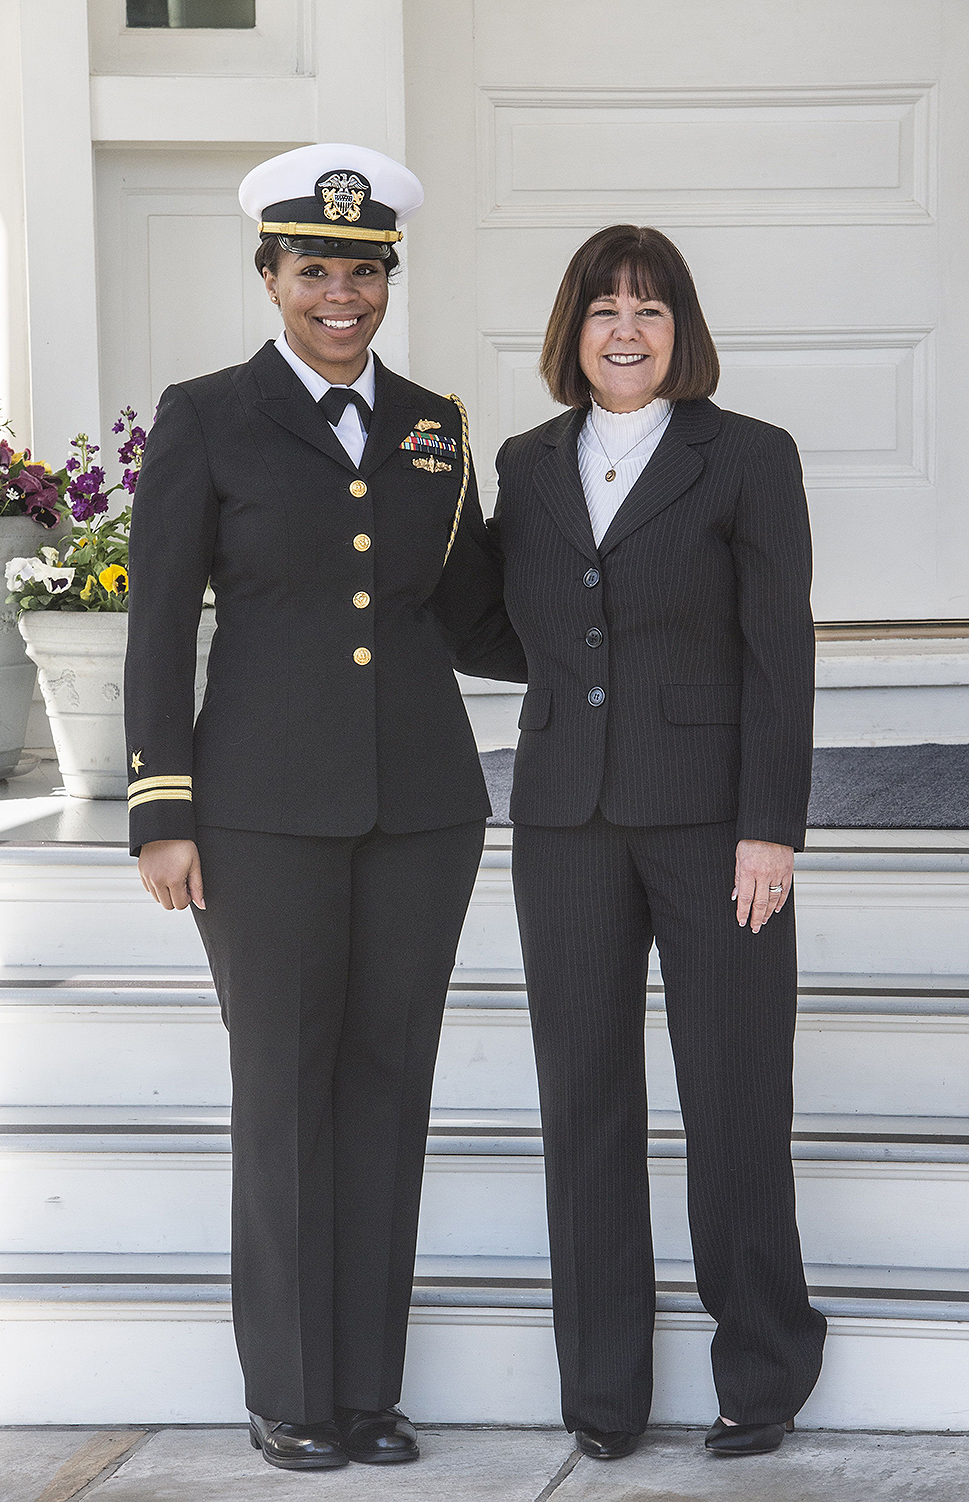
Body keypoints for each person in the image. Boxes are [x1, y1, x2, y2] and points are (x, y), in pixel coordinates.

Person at [123, 142, 526, 1473]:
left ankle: (366, 1389)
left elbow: (473, 614)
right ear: (270, 276)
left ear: (386, 278)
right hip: (258, 813)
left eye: (363, 269)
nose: (340, 292)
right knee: (283, 1091)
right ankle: (291, 1390)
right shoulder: (204, 417)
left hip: (421, 808)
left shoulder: (436, 423)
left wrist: (621, 619)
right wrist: (161, 807)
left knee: (386, 1089)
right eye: (314, 269)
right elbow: (163, 618)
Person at [491, 225, 826, 1460]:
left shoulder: (746, 457)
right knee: (583, 1102)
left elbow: (779, 654)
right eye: (600, 309)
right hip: (563, 821)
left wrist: (769, 829)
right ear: (569, 331)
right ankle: (604, 1392)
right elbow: (502, 615)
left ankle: (761, 1371)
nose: (623, 330)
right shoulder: (524, 464)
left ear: (680, 329)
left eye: (648, 308)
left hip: (710, 826)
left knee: (735, 1093)